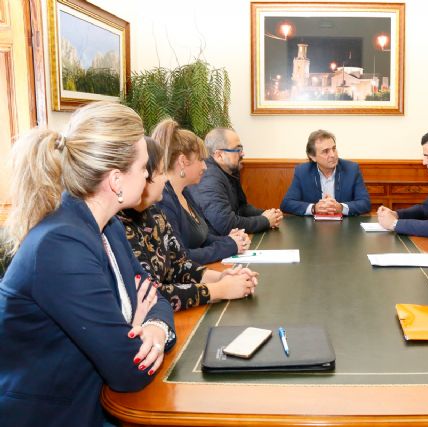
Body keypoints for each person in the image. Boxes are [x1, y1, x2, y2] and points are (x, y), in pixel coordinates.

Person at [0, 101, 175, 426]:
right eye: (142, 167)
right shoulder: (60, 245)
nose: (148, 174)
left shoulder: (110, 227)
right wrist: (132, 326)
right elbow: (129, 371)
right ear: (116, 180)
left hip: (95, 403)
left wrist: (154, 327)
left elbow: (156, 298)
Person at [118, 137, 258, 312]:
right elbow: (150, 294)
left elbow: (179, 264)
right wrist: (219, 289)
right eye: (160, 173)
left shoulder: (154, 212)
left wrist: (221, 277)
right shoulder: (119, 225)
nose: (165, 179)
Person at [152, 120, 251, 265]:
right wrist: (229, 246)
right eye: (200, 160)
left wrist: (230, 240)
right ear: (183, 161)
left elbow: (202, 238)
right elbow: (180, 257)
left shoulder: (185, 192)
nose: (205, 166)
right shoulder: (164, 201)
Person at [188, 128, 283, 235]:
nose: (243, 153)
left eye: (241, 149)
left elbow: (241, 208)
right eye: (237, 150)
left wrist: (266, 214)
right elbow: (226, 224)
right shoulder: (209, 179)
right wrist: (265, 221)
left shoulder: (230, 170)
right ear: (219, 155)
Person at [280, 129, 371, 216]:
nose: (333, 155)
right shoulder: (302, 172)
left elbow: (365, 203)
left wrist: (341, 208)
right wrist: (314, 208)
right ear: (313, 157)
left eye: (334, 149)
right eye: (325, 151)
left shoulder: (351, 169)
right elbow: (286, 204)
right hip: (313, 225)